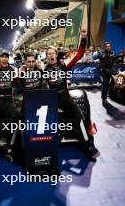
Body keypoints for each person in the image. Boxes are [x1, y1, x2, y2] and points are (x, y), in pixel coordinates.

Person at [44, 29, 97, 161]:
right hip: (51, 99)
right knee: (47, 123)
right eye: (48, 54)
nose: (51, 56)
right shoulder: (43, 69)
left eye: (53, 53)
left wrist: (83, 38)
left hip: (65, 97)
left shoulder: (64, 64)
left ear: (56, 55)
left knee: (79, 118)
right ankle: (47, 149)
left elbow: (79, 54)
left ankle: (87, 145)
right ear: (46, 56)